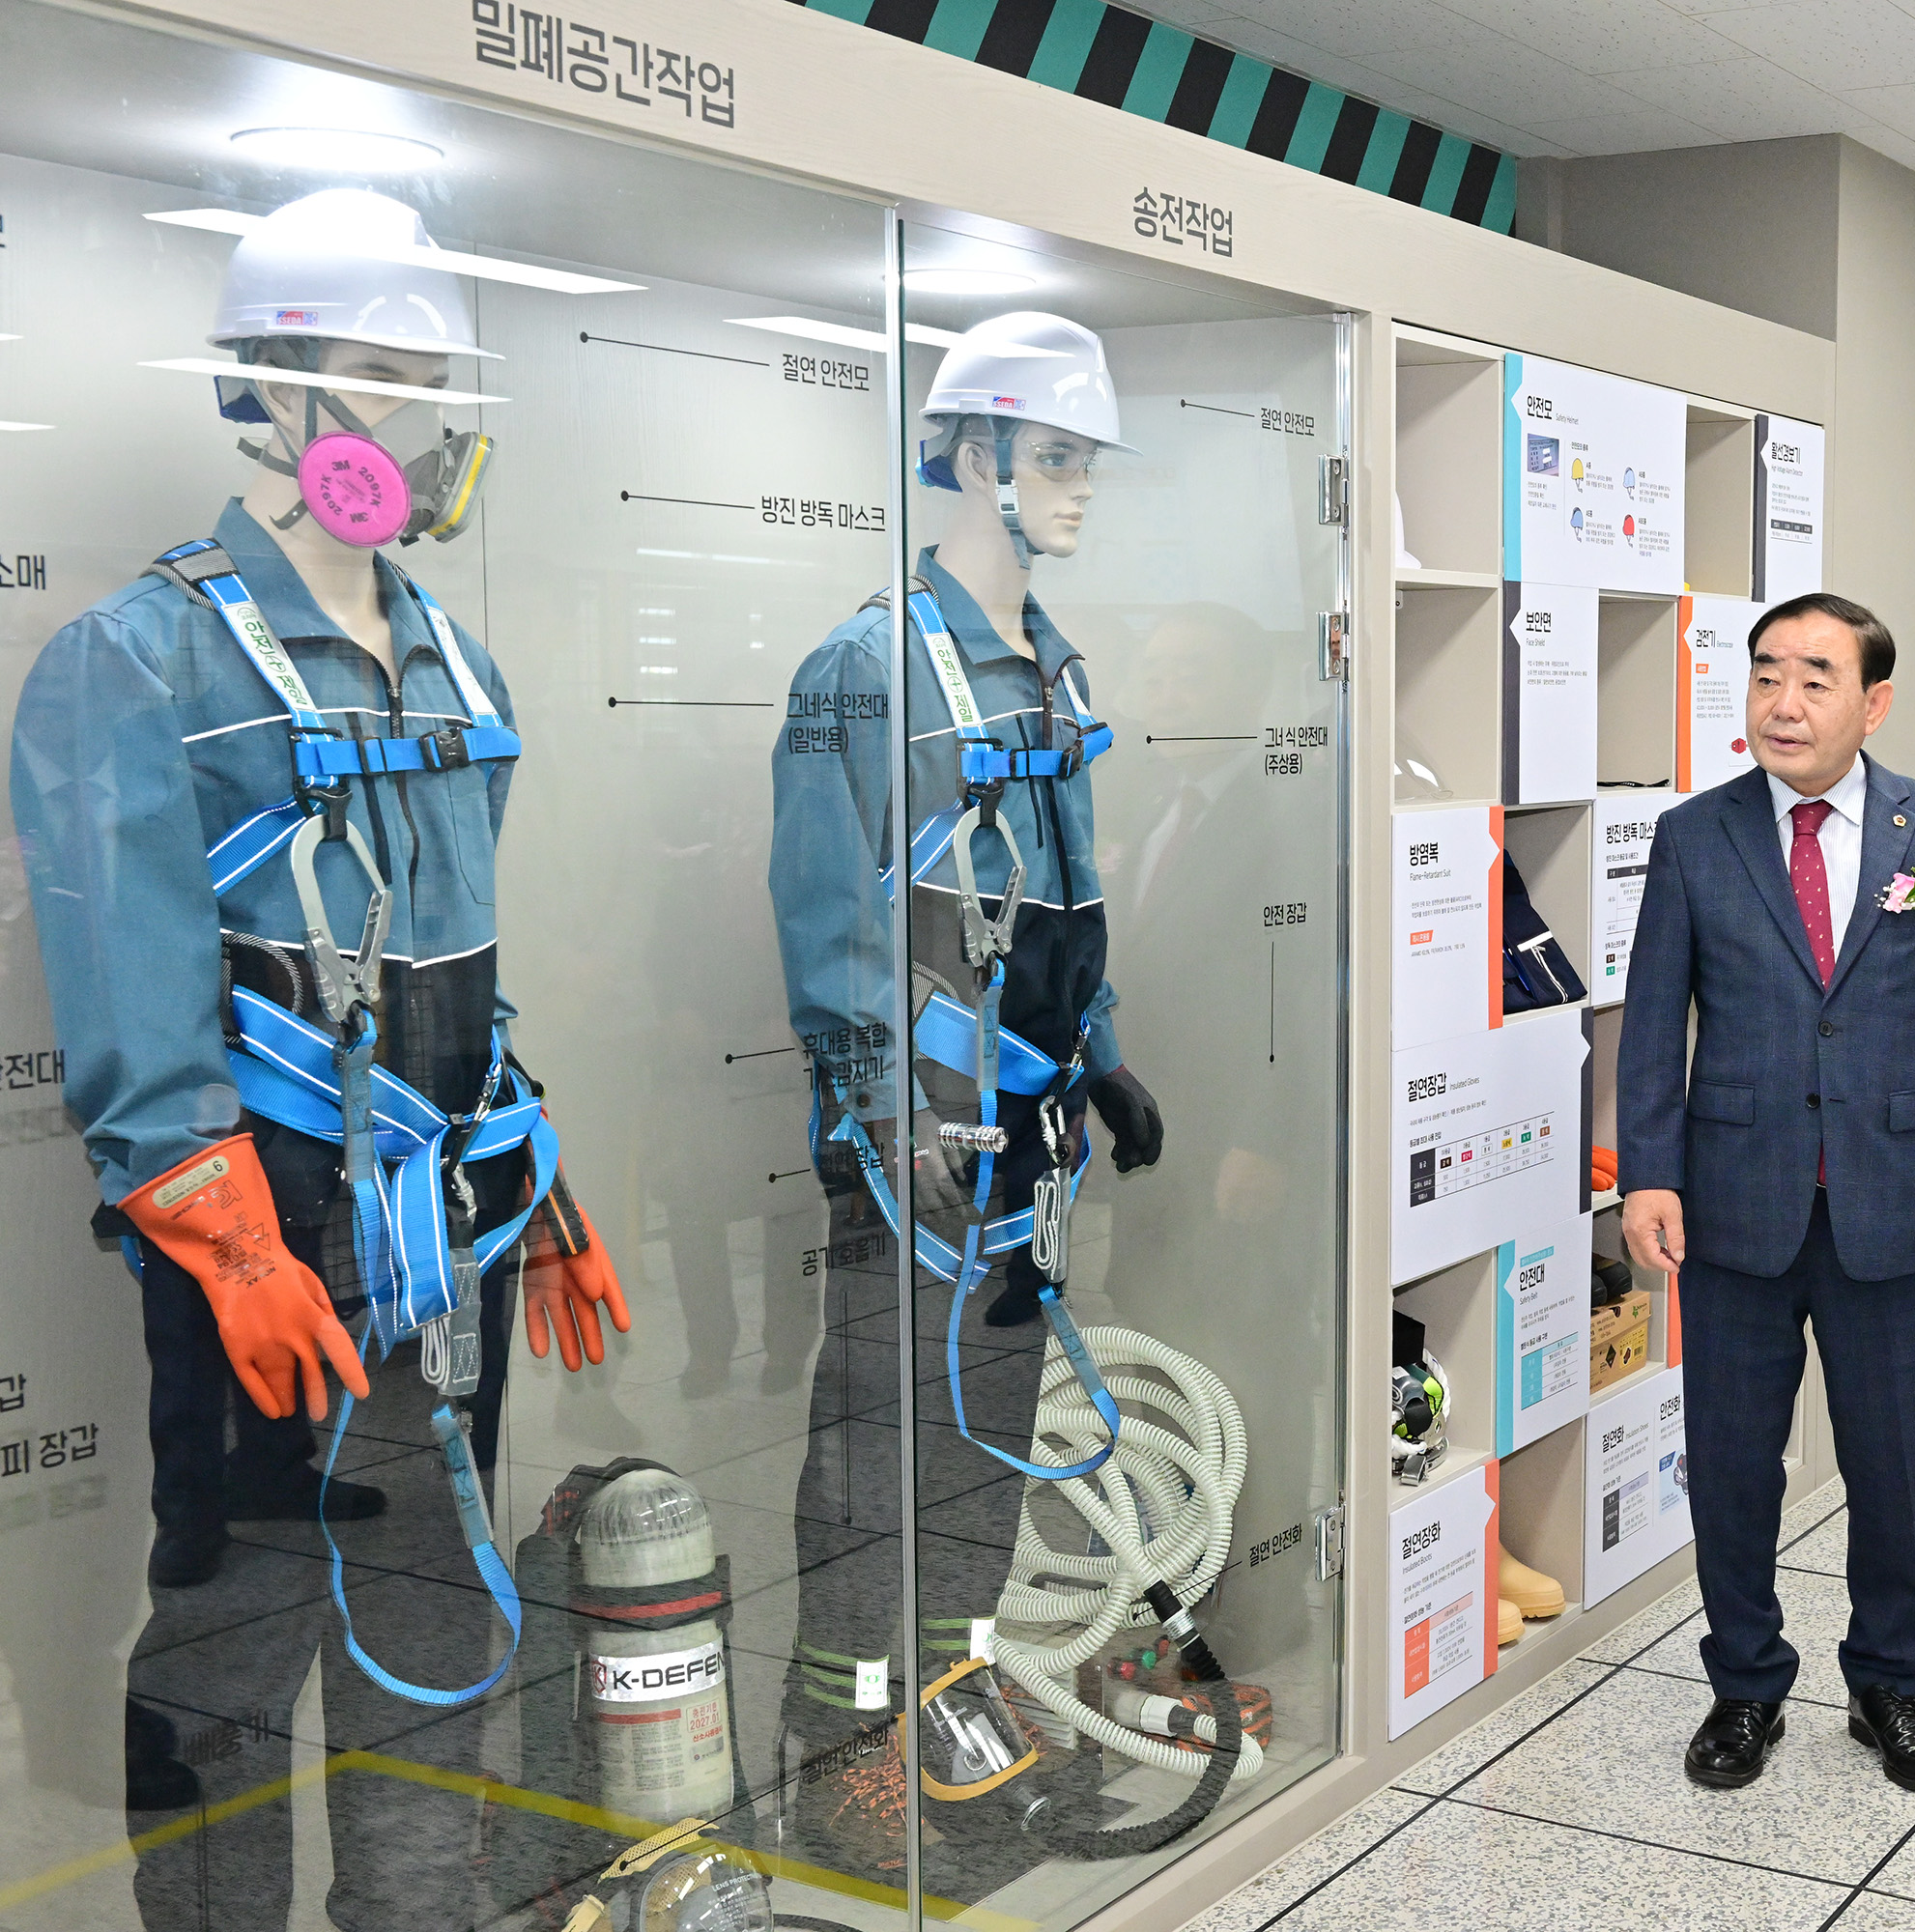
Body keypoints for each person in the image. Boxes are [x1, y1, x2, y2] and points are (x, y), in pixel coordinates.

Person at [9, 189, 629, 1926]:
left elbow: (450, 964)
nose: (421, 420)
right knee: (238, 1616)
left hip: (448, 1231)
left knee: (434, 1606)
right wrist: (218, 1236)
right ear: (269, 393)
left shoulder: (452, 660)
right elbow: (129, 990)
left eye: (433, 377)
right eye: (377, 372)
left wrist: (537, 1173)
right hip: (261, 1235)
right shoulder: (133, 663)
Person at [767, 311, 1166, 1874]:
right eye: (1058, 456)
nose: (1080, 488)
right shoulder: (866, 669)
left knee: (985, 1445)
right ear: (978, 455)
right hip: (913, 1166)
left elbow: (1069, 897)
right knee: (878, 1461)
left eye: (1086, 460)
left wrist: (1108, 1053)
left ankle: (949, 1701)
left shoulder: (1046, 668)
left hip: (1027, 1143)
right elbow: (825, 930)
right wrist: (888, 1120)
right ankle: (843, 1753)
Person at [1616, 591, 1915, 1798]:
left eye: (1816, 678)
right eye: (1766, 675)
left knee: (1893, 1463)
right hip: (1735, 1199)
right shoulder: (1697, 835)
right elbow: (1652, 1022)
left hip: (1892, 1195)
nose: (1784, 703)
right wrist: (1649, 1168)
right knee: (1733, 1461)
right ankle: (1744, 1683)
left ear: (1874, 701)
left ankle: (1890, 1680)